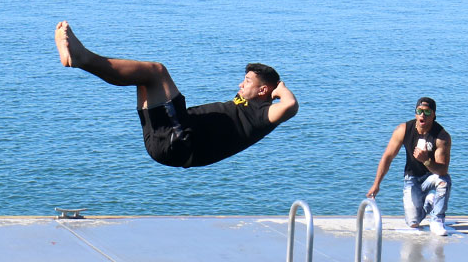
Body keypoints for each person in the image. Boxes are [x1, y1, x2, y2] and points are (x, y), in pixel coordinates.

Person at [54, 21, 298, 168]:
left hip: (180, 142)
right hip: (168, 138)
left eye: (247, 81)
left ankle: (83, 57)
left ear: (263, 90)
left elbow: (290, 106)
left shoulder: (262, 113)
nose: (240, 84)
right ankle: (81, 59)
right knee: (142, 79)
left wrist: (280, 88)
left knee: (156, 72)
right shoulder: (247, 104)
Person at [367, 97, 452, 235]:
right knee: (413, 222)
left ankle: (437, 220)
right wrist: (376, 184)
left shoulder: (441, 137)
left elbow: (443, 170)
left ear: (434, 115)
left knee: (444, 181)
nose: (422, 115)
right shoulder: (404, 130)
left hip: (431, 177)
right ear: (415, 113)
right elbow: (388, 157)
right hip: (412, 178)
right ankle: (430, 203)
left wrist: (426, 160)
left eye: (427, 112)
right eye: (419, 111)